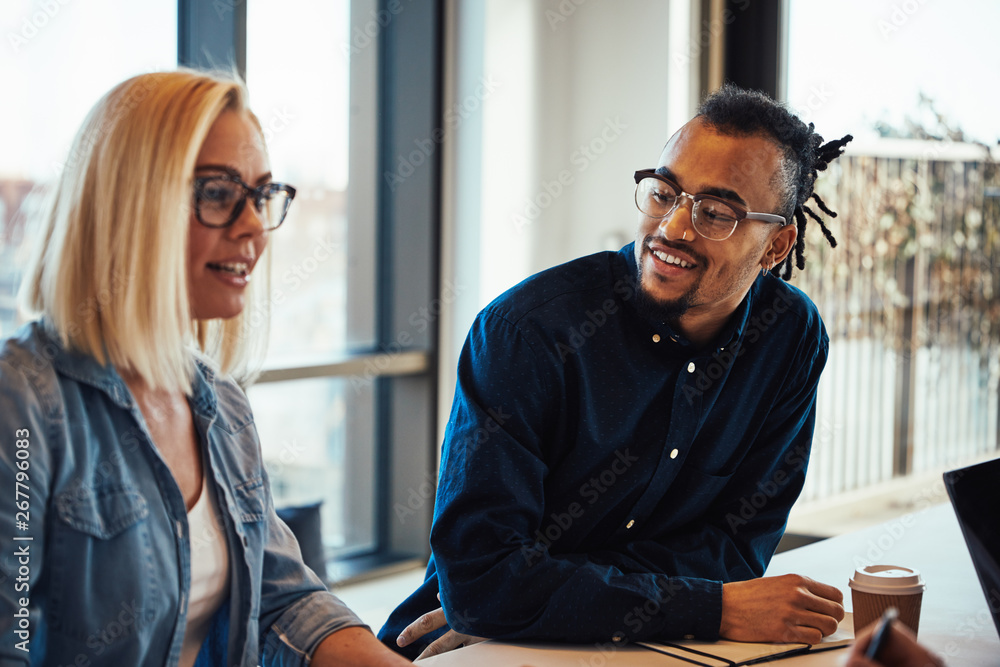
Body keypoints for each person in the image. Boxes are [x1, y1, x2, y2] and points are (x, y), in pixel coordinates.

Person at [379, 84, 854, 659]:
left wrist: (549, 605)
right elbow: (484, 582)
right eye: (665, 192)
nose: (674, 229)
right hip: (465, 648)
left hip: (646, 648)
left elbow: (735, 549)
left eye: (717, 212)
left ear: (777, 246)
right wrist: (713, 606)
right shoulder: (527, 334)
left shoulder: (789, 339)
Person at [0, 70, 410, 666]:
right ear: (130, 206)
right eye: (218, 193)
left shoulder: (219, 403)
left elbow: (284, 602)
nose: (252, 228)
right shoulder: (22, 405)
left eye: (262, 195)